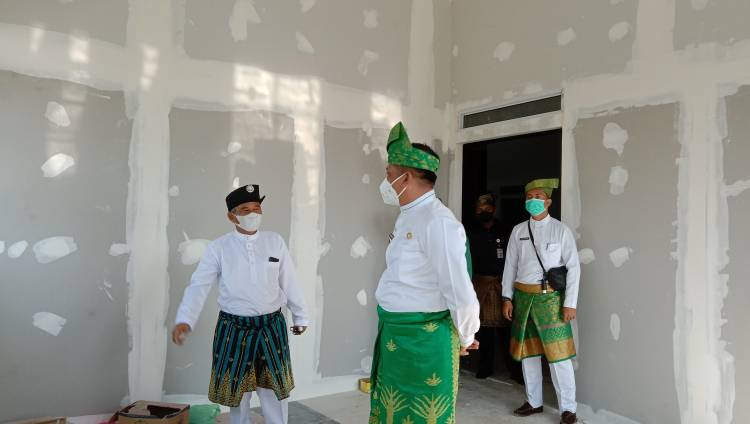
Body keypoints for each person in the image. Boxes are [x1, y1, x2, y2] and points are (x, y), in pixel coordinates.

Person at [368, 122, 481, 424]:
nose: (386, 181)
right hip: (397, 335)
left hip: (424, 340)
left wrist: (466, 335)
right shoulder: (408, 216)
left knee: (423, 416)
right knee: (392, 413)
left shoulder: (437, 222)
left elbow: (458, 288)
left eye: (389, 174)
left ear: (407, 177)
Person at [171, 185, 309, 424]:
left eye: (257, 208)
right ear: (231, 216)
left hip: (271, 326)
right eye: (245, 210)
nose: (253, 214)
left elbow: (290, 280)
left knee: (274, 390)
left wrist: (301, 316)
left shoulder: (274, 242)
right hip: (234, 328)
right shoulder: (218, 248)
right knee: (238, 392)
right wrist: (185, 319)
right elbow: (199, 285)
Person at [501, 178, 580, 424]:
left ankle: (568, 409)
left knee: (559, 356)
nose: (533, 201)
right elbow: (510, 266)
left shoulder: (560, 230)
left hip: (551, 301)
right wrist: (507, 297)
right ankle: (533, 402)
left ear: (548, 202)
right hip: (523, 299)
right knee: (529, 354)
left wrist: (570, 303)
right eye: (529, 197)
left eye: (538, 197)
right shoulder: (518, 231)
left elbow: (574, 268)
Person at [466, 193, 523, 383]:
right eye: (480, 208)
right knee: (483, 329)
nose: (483, 211)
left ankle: (514, 369)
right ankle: (485, 367)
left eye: (487, 208)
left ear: (493, 209)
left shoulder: (506, 231)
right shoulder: (470, 231)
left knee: (507, 329)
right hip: (480, 283)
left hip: (502, 284)